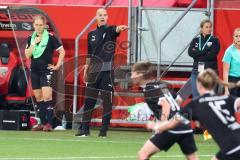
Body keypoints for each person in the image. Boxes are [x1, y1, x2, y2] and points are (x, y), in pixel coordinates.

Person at [148, 69, 240, 160]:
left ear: (198, 85)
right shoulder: (227, 99)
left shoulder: (195, 104)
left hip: (232, 148)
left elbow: (171, 124)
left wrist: (155, 126)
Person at [75, 8, 128, 137]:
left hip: (107, 72)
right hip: (93, 71)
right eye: (100, 15)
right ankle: (84, 130)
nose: (103, 17)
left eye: (105, 15)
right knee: (89, 101)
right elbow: (89, 53)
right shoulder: (91, 34)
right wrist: (86, 68)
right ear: (96, 17)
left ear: (107, 17)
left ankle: (103, 131)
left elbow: (116, 29)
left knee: (106, 102)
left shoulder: (110, 31)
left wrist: (120, 28)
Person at [131, 62, 198, 160]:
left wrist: (161, 125)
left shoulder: (149, 90)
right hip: (184, 123)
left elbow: (165, 105)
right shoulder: (161, 85)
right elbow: (178, 99)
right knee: (192, 158)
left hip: (172, 126)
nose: (131, 76)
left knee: (143, 154)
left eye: (133, 73)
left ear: (140, 74)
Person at [25, 15, 65, 131]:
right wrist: (34, 43)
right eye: (36, 25)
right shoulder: (30, 38)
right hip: (35, 71)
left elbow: (62, 51)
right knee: (38, 97)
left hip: (46, 71)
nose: (38, 27)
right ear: (33, 25)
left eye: (40, 25)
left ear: (45, 25)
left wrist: (57, 66)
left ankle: (49, 124)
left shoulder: (51, 38)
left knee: (47, 96)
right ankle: (42, 123)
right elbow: (27, 55)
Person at [188, 19, 220, 98]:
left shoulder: (215, 40)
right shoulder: (195, 40)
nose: (209, 29)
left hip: (210, 72)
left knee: (210, 98)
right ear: (201, 28)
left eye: (210, 27)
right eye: (206, 27)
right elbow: (190, 53)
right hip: (196, 72)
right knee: (196, 98)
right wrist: (205, 51)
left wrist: (197, 53)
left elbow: (212, 55)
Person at [223, 28, 240, 96]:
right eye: (237, 36)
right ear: (233, 37)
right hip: (233, 81)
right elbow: (225, 72)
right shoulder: (229, 51)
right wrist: (226, 89)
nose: (239, 38)